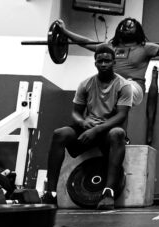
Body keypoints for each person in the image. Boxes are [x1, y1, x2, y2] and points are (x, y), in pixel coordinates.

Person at [55, 18, 159, 143]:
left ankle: (122, 136)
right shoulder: (109, 48)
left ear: (137, 30)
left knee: (122, 88)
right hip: (110, 87)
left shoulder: (146, 48)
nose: (127, 27)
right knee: (96, 91)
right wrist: (65, 32)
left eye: (130, 25)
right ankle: (94, 128)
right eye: (123, 25)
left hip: (134, 87)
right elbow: (85, 42)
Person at [41, 44, 132, 210]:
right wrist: (83, 123)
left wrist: (96, 129)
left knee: (118, 133)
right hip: (87, 127)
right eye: (100, 61)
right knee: (59, 134)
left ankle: (108, 193)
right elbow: (75, 113)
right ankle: (50, 193)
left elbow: (121, 115)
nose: (103, 64)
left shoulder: (124, 86)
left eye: (107, 61)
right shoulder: (85, 84)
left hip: (108, 132)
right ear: (95, 63)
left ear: (114, 63)